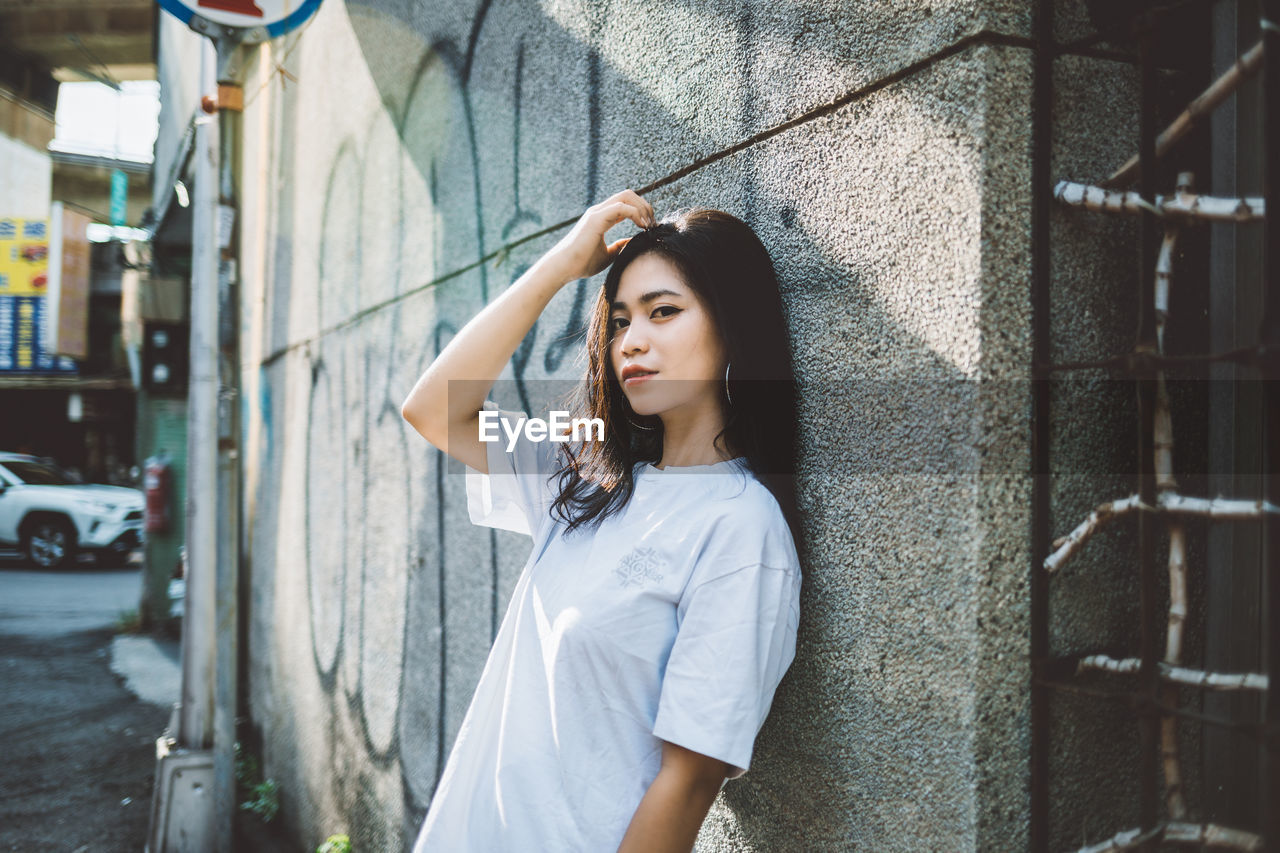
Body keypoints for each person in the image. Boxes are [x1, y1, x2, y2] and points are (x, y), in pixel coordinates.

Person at [401, 189, 803, 852]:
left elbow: (688, 782)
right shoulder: (588, 473)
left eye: (663, 312)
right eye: (619, 321)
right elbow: (434, 409)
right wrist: (562, 263)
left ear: (732, 328)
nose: (632, 341)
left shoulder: (741, 530)